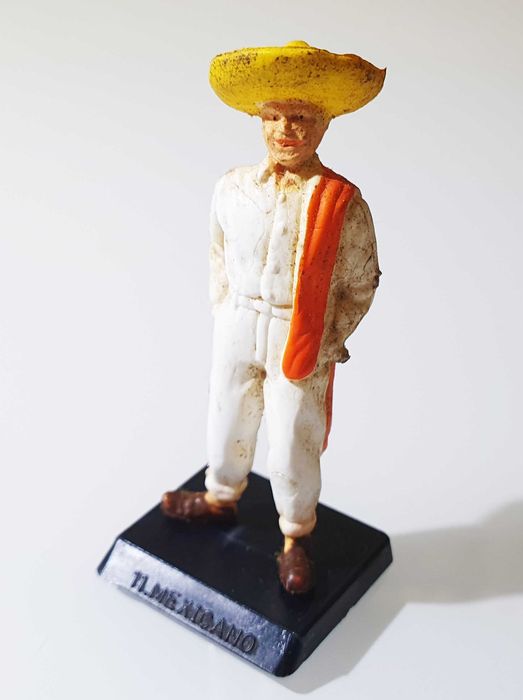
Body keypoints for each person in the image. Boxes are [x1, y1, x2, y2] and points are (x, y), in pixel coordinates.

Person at [162, 41, 385, 594]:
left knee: (290, 440)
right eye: (275, 117)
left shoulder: (341, 203)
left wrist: (328, 339)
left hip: (298, 331)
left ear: (324, 124)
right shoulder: (232, 187)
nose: (287, 129)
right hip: (239, 321)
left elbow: (361, 282)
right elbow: (217, 252)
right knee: (227, 415)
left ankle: (295, 535)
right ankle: (220, 496)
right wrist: (224, 308)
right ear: (259, 121)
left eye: (302, 118)